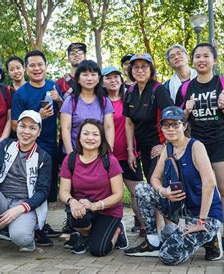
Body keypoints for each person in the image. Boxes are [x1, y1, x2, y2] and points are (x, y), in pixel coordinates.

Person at [124, 106, 224, 265]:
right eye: (166, 125)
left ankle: (211, 239)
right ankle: (153, 242)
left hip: (206, 216)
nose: (170, 129)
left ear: (184, 126)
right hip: (181, 210)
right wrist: (163, 191)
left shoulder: (195, 146)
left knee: (168, 257)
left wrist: (201, 222)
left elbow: (210, 183)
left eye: (175, 124)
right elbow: (154, 178)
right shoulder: (168, 148)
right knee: (141, 189)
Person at [175, 43, 224, 253]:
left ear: (214, 60)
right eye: (197, 56)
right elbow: (178, 122)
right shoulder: (185, 88)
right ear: (192, 61)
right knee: (202, 189)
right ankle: (206, 233)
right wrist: (185, 111)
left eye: (206, 56)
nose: (201, 60)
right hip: (197, 146)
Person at [0, 110, 52, 262]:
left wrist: (20, 209)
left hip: (24, 205)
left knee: (21, 238)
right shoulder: (6, 145)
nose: (26, 131)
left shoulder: (43, 157)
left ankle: (21, 232)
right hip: (1, 200)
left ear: (38, 132)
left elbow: (43, 191)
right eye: (23, 126)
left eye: (32, 128)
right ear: (17, 127)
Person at [11, 50, 63, 245]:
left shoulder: (53, 87)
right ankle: (35, 228)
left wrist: (59, 99)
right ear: (26, 69)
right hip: (30, 149)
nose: (36, 68)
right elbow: (15, 125)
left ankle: (42, 222)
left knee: (48, 188)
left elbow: (65, 114)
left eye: (40, 64)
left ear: (46, 66)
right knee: (31, 187)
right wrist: (37, 116)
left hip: (51, 146)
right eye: (32, 65)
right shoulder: (21, 93)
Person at [59, 119, 127, 256]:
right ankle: (85, 235)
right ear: (79, 137)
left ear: (102, 139)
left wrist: (95, 205)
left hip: (107, 210)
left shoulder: (109, 160)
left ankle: (118, 230)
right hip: (83, 208)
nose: (90, 138)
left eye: (95, 134)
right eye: (86, 134)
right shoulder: (70, 159)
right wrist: (72, 202)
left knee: (98, 250)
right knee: (78, 217)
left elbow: (118, 194)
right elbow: (64, 191)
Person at [101, 66, 145, 236]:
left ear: (121, 79)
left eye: (115, 77)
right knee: (109, 195)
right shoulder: (100, 101)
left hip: (129, 155)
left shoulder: (130, 98)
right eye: (108, 78)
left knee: (138, 193)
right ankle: (111, 230)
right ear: (102, 82)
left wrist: (132, 151)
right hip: (106, 156)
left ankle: (144, 226)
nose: (113, 81)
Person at [124, 53, 173, 182]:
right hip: (143, 148)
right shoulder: (130, 92)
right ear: (131, 70)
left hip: (158, 147)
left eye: (144, 66)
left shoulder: (158, 90)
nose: (140, 70)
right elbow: (129, 123)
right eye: (136, 67)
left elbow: (172, 118)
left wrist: (165, 145)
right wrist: (130, 151)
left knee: (159, 184)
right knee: (151, 185)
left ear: (151, 69)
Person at [60, 60, 115, 155]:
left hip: (98, 154)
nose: (89, 78)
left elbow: (109, 127)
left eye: (93, 74)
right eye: (85, 75)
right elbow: (66, 128)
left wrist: (108, 153)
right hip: (75, 153)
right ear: (78, 79)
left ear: (98, 79)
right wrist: (71, 155)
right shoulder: (70, 101)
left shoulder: (105, 101)